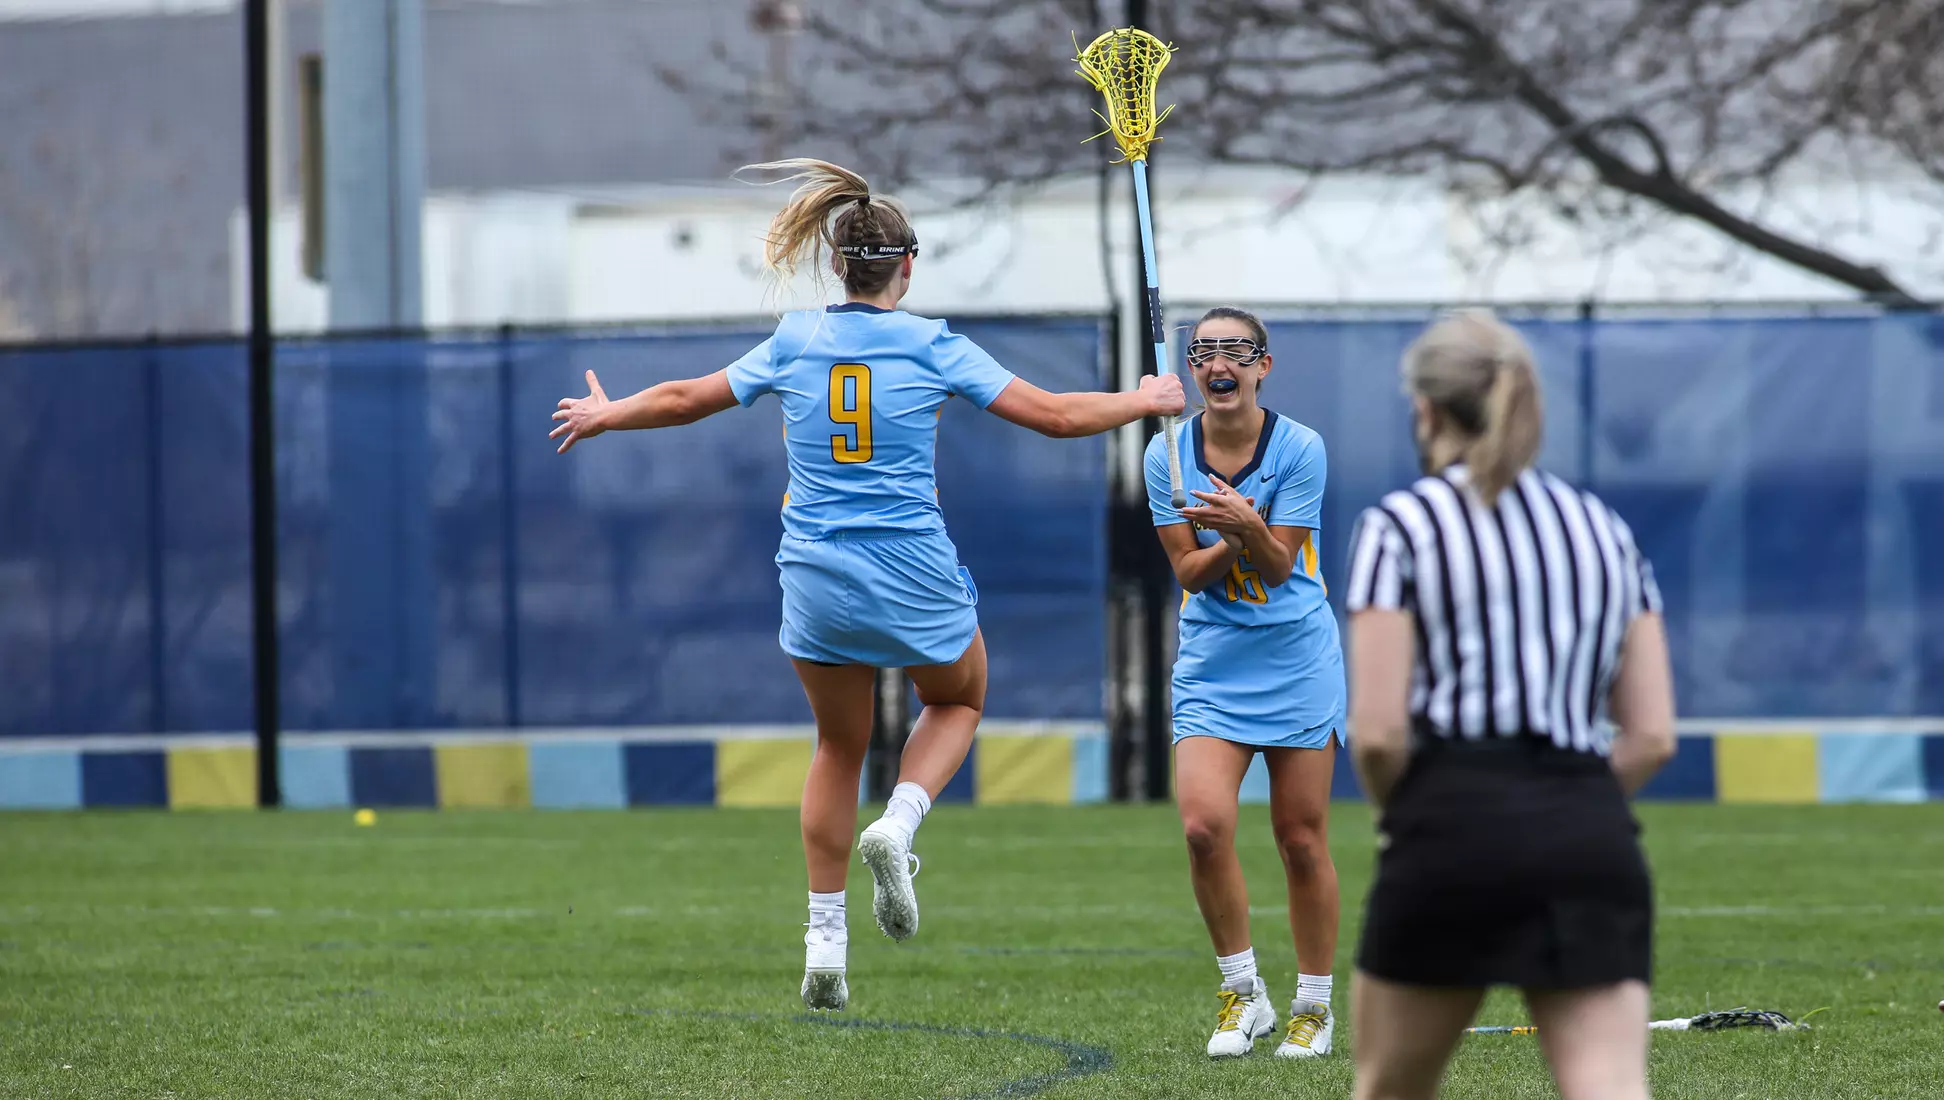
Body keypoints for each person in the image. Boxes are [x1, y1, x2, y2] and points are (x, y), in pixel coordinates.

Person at [550, 158, 1185, 1013]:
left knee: (836, 747)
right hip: (911, 568)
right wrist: (1145, 399)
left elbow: (681, 398)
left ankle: (824, 942)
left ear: (836, 264)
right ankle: (902, 821)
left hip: (815, 573)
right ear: (908, 267)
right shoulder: (934, 344)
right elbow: (1060, 417)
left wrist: (605, 414)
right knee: (957, 700)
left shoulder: (794, 341)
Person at [1340, 309, 1678, 1100]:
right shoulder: (1603, 529)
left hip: (1450, 823)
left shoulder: (1401, 526)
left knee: (1390, 1083)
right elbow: (1653, 734)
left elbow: (1381, 733)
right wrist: (1570, 804)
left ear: (1424, 408)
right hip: (1587, 829)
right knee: (1608, 1085)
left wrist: (1411, 820)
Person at [1146, 307, 1346, 1060]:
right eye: (1205, 353)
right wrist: (1237, 529)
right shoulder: (1162, 453)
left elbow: (1277, 564)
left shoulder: (1300, 449)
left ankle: (1314, 1007)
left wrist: (1242, 526)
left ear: (1264, 365)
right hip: (1215, 664)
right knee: (1202, 828)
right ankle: (1243, 995)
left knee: (1300, 839)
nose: (1219, 365)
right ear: (1193, 369)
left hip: (1297, 659)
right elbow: (1189, 574)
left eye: (1236, 351)